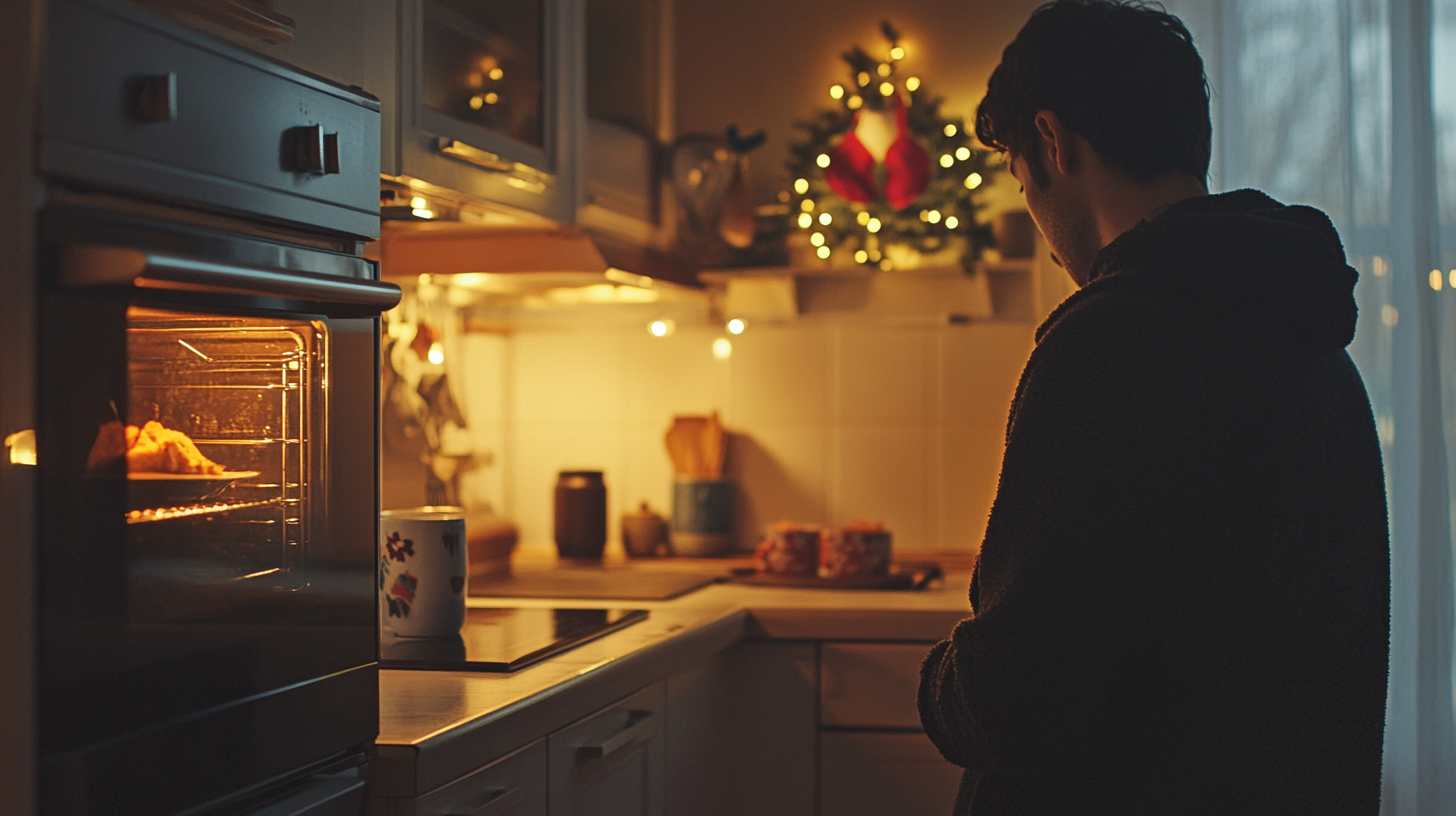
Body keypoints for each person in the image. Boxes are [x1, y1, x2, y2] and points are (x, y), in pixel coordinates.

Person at [917, 2, 1390, 814]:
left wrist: (938, 682)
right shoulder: (1310, 329)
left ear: (1054, 142)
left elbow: (1016, 703)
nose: (1045, 228)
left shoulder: (1108, 342)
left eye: (1027, 184)